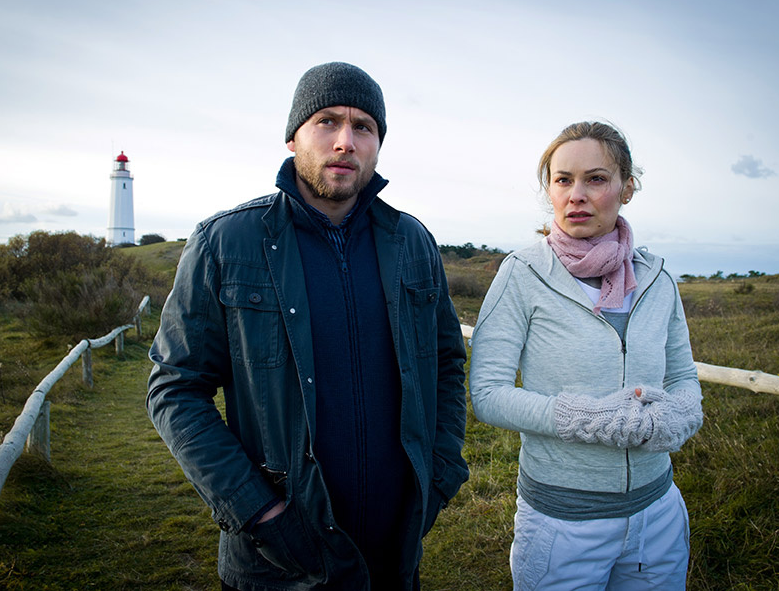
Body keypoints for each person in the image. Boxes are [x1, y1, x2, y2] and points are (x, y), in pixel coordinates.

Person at [147, 62, 469, 591]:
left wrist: (440, 471)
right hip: (276, 562)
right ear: (293, 138)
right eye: (327, 121)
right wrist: (257, 511)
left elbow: (448, 365)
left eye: (363, 126)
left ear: (378, 145)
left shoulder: (413, 242)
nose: (345, 141)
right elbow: (175, 388)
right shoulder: (225, 242)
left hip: (394, 555)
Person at [468, 121, 703, 590]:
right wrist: (583, 417)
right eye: (563, 180)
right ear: (550, 191)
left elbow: (684, 377)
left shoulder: (658, 279)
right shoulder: (522, 273)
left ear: (627, 188)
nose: (576, 195)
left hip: (657, 513)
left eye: (596, 179)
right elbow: (488, 395)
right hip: (562, 522)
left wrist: (679, 415)